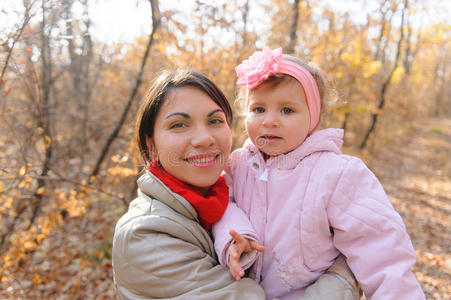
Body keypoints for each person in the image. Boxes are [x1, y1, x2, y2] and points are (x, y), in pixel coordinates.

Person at [112, 69, 361, 299]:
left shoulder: (233, 195)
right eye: (179, 125)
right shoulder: (144, 234)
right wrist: (346, 274)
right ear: (151, 144)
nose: (204, 139)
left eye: (215, 121)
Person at [212, 47, 425, 300]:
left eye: (287, 110)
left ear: (313, 117)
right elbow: (223, 206)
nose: (269, 120)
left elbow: (381, 249)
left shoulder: (336, 174)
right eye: (258, 109)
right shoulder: (237, 165)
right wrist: (234, 237)